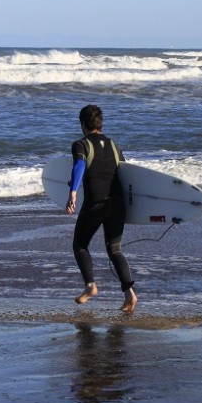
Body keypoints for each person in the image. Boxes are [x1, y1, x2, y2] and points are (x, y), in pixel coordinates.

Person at [66, 104, 137, 312]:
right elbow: (126, 172)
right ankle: (130, 295)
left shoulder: (81, 145)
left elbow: (79, 166)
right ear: (101, 123)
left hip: (95, 204)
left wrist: (73, 191)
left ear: (82, 124)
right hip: (117, 204)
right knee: (115, 249)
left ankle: (90, 285)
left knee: (80, 245)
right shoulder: (114, 145)